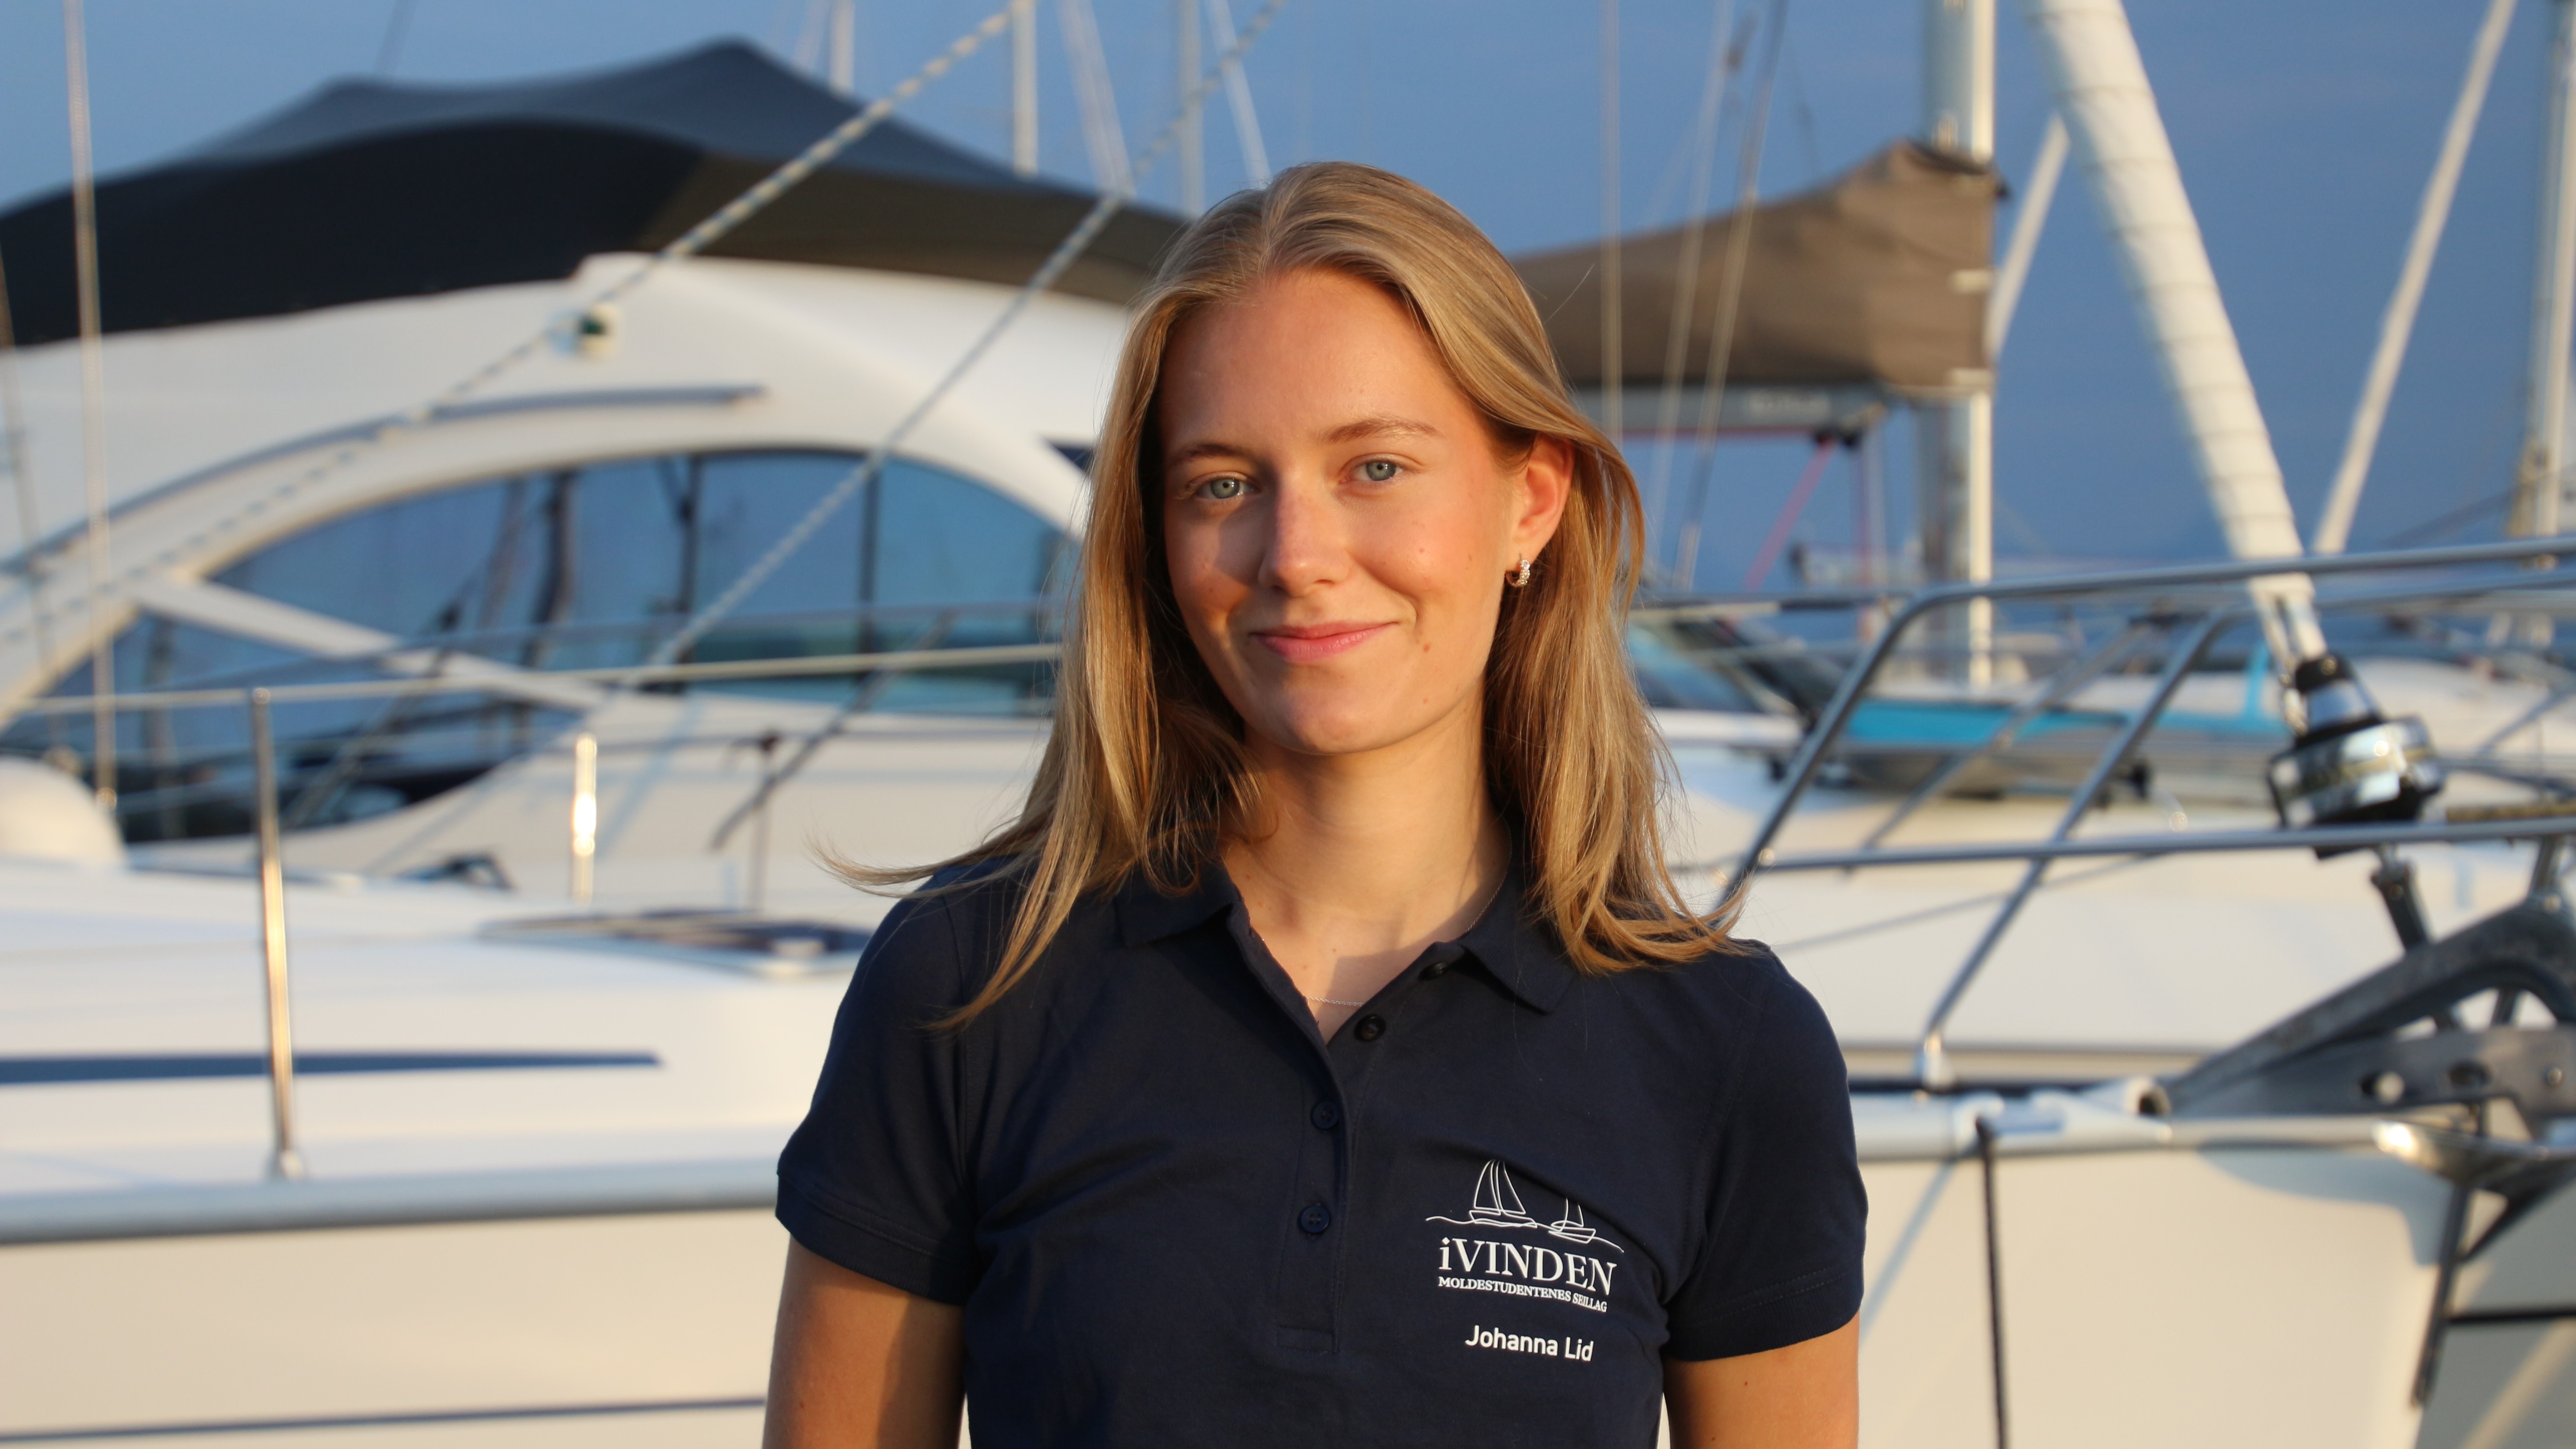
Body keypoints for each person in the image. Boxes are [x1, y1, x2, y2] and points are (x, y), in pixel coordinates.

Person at [764, 161, 1863, 1449]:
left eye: (1376, 467)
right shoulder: (970, 988)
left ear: (1531, 501)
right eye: (1223, 484)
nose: (1295, 555)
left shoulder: (1728, 1053)